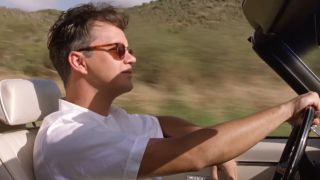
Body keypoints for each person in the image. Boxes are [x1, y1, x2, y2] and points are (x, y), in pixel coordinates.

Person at [33, 2, 320, 180]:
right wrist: (287, 109)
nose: (131, 58)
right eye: (118, 50)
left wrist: (223, 152)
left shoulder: (110, 120)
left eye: (129, 50)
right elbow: (196, 154)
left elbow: (165, 124)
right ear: (79, 62)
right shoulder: (69, 138)